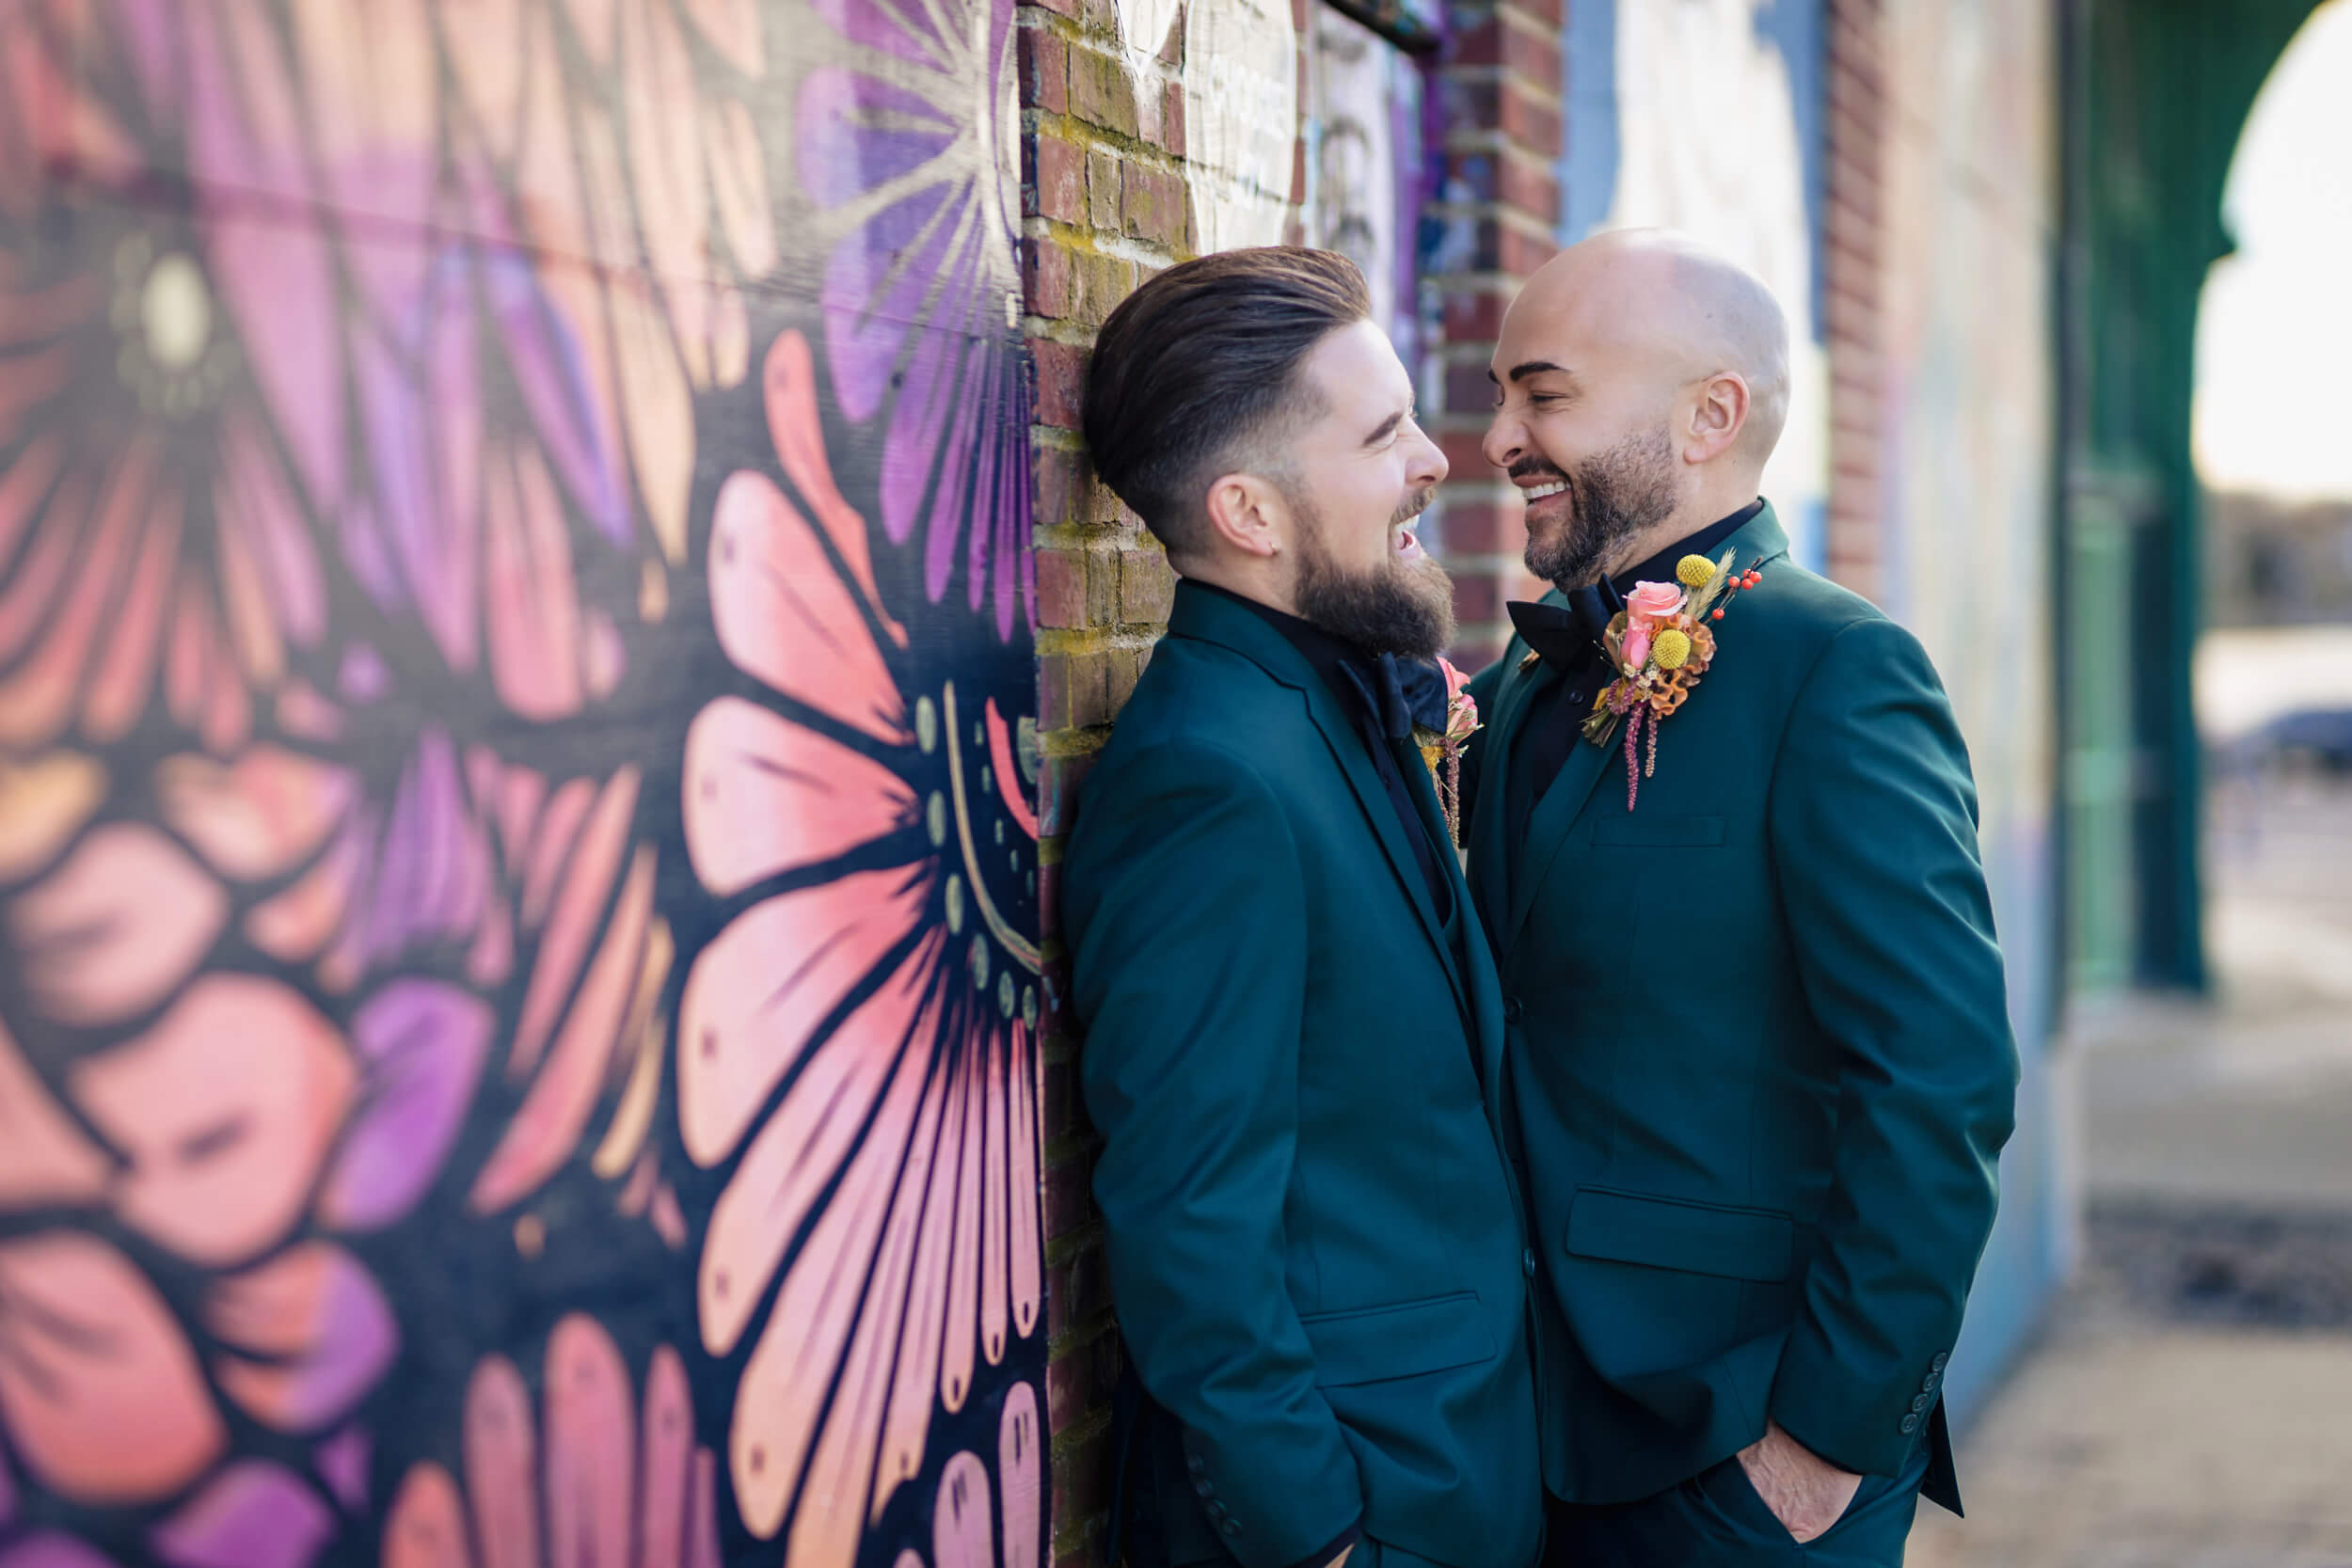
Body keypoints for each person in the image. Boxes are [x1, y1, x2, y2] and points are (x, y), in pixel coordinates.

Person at [1463, 228, 2019, 1567]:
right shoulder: (1521, 685)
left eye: (1543, 393)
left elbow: (1938, 1080)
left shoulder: (1837, 673)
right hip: (1516, 1423)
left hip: (1738, 1450)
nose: (1498, 437)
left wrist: (1825, 1441)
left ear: (1709, 415)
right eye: (1501, 395)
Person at [1061, 247, 1543, 1568]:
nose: (1437, 461)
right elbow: (1190, 1215)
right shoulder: (1203, 779)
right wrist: (1316, 1536)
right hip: (1351, 1514)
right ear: (1251, 515)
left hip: (1459, 1470)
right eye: (1386, 434)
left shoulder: (1337, 697)